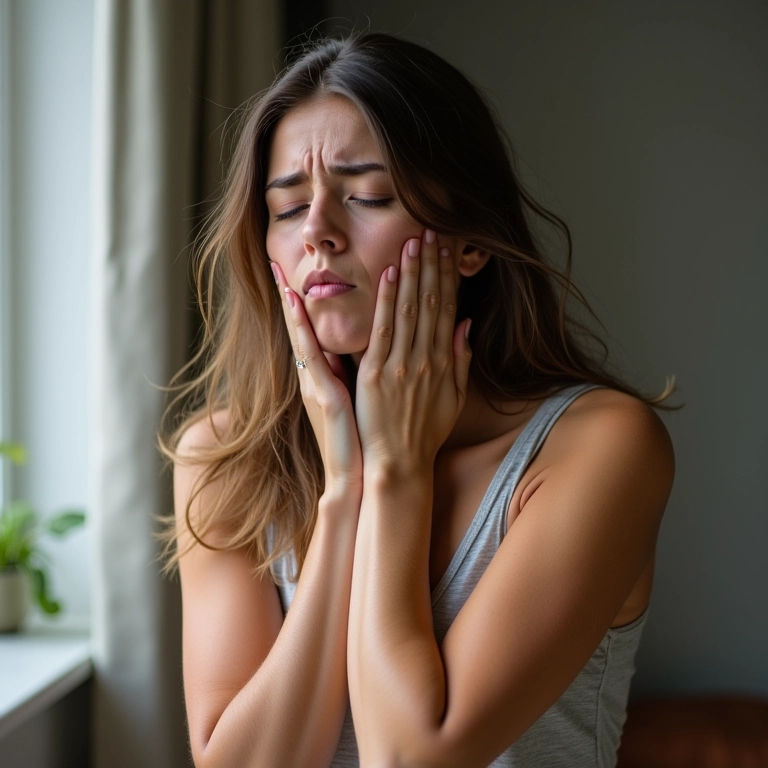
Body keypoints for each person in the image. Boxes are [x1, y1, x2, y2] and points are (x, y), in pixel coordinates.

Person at [160, 31, 675, 768]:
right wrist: (344, 492)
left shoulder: (601, 446)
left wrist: (398, 468)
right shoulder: (221, 459)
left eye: (366, 196)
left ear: (469, 242)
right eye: (286, 207)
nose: (317, 234)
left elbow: (410, 757)